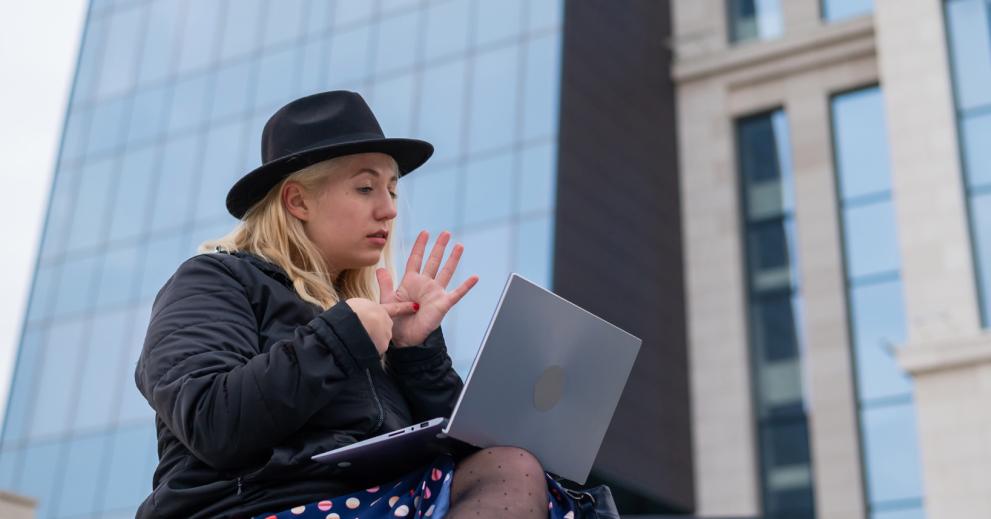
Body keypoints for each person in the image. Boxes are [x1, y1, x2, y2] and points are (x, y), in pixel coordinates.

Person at [133, 91, 581, 518]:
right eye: (366, 188)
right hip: (256, 510)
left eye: (392, 191)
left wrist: (416, 354)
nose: (388, 210)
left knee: (511, 466)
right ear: (298, 200)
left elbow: (467, 461)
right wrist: (340, 337)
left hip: (376, 503)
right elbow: (213, 421)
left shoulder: (370, 322)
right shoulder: (214, 279)